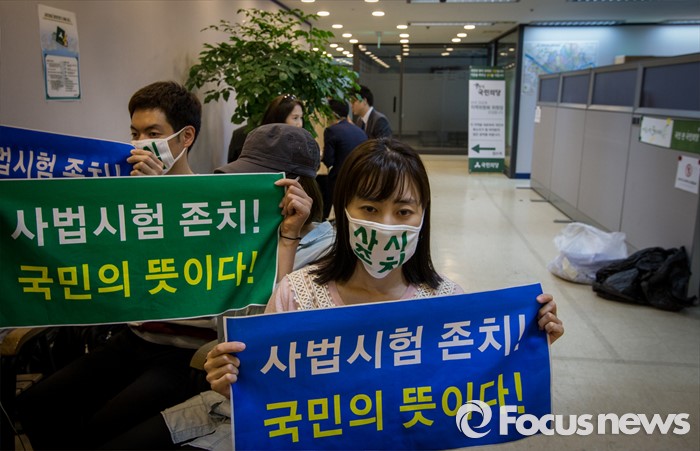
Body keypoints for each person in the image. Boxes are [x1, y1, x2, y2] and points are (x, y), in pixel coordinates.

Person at [178, 139, 563, 450]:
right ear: (344, 210)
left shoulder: (447, 303)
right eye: (370, 208)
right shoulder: (297, 295)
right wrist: (235, 383)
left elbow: (467, 401)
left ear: (423, 216)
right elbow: (271, 397)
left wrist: (525, 341)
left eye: (404, 211)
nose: (385, 225)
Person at [15, 85, 313, 450]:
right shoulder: (121, 202)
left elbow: (237, 298)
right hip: (133, 339)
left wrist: (163, 202)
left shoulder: (220, 210)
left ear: (185, 137)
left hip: (185, 353)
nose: (141, 144)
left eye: (153, 134)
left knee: (100, 427)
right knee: (37, 404)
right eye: (135, 133)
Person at [99, 124, 335, 451]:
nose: (240, 191)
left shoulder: (325, 252)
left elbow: (272, 336)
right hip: (222, 390)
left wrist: (288, 239)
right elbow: (223, 317)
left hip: (267, 406)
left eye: (254, 181)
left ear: (296, 187)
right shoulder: (245, 235)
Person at [321, 98, 367, 220]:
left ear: (332, 114)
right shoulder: (360, 131)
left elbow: (328, 161)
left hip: (340, 180)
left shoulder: (331, 131)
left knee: (321, 182)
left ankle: (322, 220)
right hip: (360, 178)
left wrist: (322, 156)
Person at [227, 94, 304, 163]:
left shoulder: (302, 144)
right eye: (295, 118)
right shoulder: (249, 139)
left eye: (301, 117)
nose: (300, 124)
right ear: (280, 118)